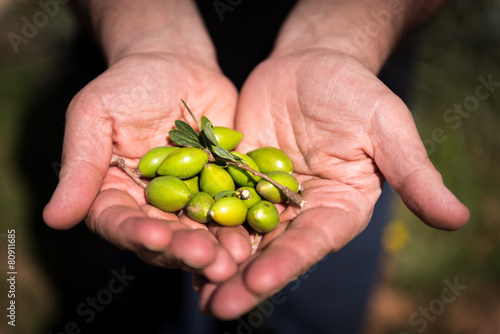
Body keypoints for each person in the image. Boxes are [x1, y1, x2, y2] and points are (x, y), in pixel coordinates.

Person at [43, 0, 469, 329]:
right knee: (155, 298)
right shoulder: (201, 172)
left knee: (323, 302)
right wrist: (147, 35)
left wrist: (337, 42)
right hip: (132, 64)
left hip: (328, 143)